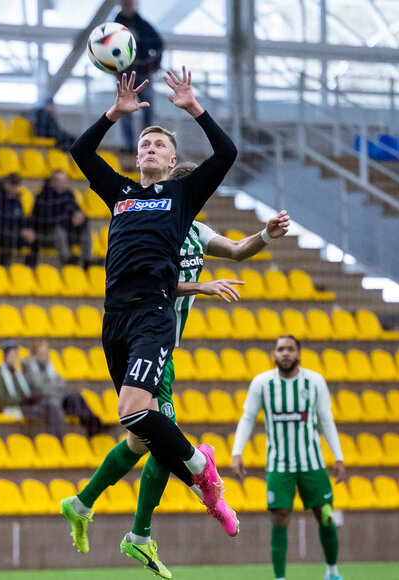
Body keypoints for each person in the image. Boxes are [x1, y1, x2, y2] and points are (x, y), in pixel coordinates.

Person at [64, 161, 292, 577]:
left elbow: (239, 251)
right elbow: (145, 278)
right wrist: (200, 286)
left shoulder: (197, 231)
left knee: (138, 441)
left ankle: (82, 504)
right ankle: (144, 530)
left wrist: (264, 234)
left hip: (163, 344)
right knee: (158, 435)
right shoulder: (147, 220)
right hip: (143, 336)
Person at [60, 66, 238, 564]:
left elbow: (227, 154)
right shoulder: (120, 193)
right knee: (139, 430)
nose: (149, 150)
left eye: (158, 146)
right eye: (143, 145)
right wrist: (112, 112)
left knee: (133, 410)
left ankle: (202, 471)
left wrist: (193, 108)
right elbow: (79, 154)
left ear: (174, 159)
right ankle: (96, 509)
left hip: (153, 315)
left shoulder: (183, 196)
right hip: (113, 316)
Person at [231, 335, 345, 580]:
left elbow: (326, 419)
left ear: (299, 354)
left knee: (325, 513)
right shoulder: (262, 383)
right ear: (274, 353)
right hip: (279, 464)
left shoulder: (315, 382)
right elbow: (248, 417)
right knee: (280, 516)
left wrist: (338, 456)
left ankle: (332, 571)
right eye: (280, 349)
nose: (285, 353)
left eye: (290, 349)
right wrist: (237, 451)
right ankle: (280, 577)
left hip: (312, 463)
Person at [22, 340, 104, 438]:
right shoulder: (29, 369)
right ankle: (58, 439)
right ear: (34, 355)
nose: (44, 356)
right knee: (53, 405)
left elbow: (62, 384)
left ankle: (94, 425)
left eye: (45, 353)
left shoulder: (49, 367)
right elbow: (38, 388)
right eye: (41, 353)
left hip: (55, 398)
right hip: (41, 402)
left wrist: (53, 389)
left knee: (76, 397)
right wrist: (53, 388)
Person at [114, 0, 163, 152]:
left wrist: (154, 67)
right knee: (124, 112)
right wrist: (114, 70)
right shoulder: (115, 26)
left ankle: (146, 145)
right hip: (125, 76)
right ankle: (129, 146)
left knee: (147, 111)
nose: (127, 4)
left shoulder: (144, 25)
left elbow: (160, 45)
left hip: (143, 75)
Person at [31, 171, 93, 268]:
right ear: (52, 182)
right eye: (59, 181)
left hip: (68, 230)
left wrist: (79, 216)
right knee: (59, 230)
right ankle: (66, 261)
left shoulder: (69, 194)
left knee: (85, 227)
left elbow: (76, 210)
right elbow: (47, 221)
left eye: (64, 181)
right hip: (46, 233)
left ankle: (87, 261)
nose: (62, 184)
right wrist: (69, 220)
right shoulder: (44, 196)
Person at [0, 173, 36, 266]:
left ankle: (29, 268)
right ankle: (4, 266)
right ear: (5, 184)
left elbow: (21, 219)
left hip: (13, 232)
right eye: (11, 184)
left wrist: (27, 230)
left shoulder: (17, 201)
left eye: (16, 185)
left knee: (35, 238)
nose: (13, 188)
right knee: (7, 236)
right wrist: (20, 232)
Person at [0, 340, 34, 421]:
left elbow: (25, 392)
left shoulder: (18, 373)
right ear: (5, 356)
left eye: (15, 355)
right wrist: (20, 401)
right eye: (11, 355)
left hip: (21, 407)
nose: (14, 358)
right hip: (8, 409)